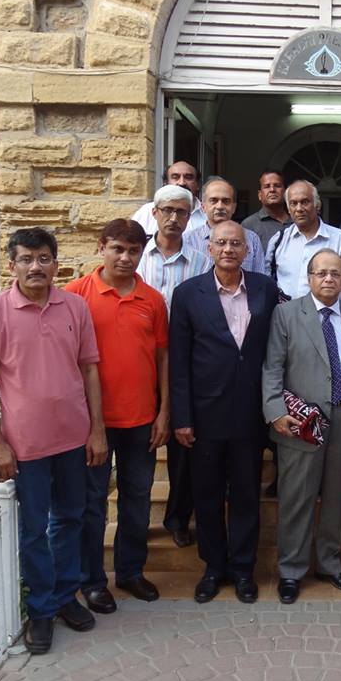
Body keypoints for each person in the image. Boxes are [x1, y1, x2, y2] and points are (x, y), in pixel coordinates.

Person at [0, 228, 107, 655]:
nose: (36, 267)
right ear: (12, 264)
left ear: (55, 263)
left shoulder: (75, 307)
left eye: (44, 258)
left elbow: (89, 370)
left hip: (73, 440)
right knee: (33, 531)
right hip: (25, 447)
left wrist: (96, 430)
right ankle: (42, 609)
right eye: (27, 258)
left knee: (70, 519)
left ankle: (66, 597)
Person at [170, 221, 278, 604]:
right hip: (204, 416)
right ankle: (214, 568)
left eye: (236, 243)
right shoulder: (187, 294)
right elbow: (178, 361)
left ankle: (244, 569)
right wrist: (181, 417)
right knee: (208, 495)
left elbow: (273, 351)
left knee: (248, 494)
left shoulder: (266, 289)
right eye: (221, 243)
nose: (229, 249)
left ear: (247, 250)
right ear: (209, 248)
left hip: (250, 414)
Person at [65, 219, 170, 612]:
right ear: (101, 247)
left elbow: (163, 357)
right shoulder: (76, 296)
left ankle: (130, 571)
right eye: (118, 249)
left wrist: (164, 412)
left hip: (141, 419)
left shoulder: (153, 300)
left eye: (133, 251)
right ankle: (91, 580)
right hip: (92, 422)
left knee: (137, 500)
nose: (125, 258)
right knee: (91, 502)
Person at [262, 249, 341, 603]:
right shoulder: (286, 313)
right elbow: (272, 366)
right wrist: (275, 411)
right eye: (321, 273)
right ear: (309, 278)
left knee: (336, 496)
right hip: (300, 421)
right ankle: (291, 570)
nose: (328, 279)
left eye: (336, 273)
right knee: (296, 498)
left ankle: (330, 563)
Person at [137, 184, 211, 549]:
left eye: (181, 212)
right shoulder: (136, 258)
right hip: (138, 364)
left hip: (184, 366)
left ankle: (179, 517)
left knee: (184, 448)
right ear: (154, 213)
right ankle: (135, 521)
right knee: (139, 446)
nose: (173, 218)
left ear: (190, 217)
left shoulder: (202, 261)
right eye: (166, 210)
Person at [265, 180, 341, 300]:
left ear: (317, 205)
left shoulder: (339, 238)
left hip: (325, 316)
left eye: (305, 202)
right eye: (293, 203)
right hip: (287, 316)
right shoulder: (278, 240)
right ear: (288, 208)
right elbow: (267, 281)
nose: (299, 209)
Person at [184, 176, 266, 275]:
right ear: (203, 207)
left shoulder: (252, 240)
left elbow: (259, 282)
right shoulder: (187, 240)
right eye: (213, 200)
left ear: (234, 207)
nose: (220, 206)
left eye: (226, 201)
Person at [132, 160, 207, 238]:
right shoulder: (147, 212)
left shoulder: (207, 215)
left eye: (188, 177)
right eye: (175, 177)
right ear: (165, 183)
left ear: (198, 184)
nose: (182, 182)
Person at [242, 169, 292, 250]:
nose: (272, 190)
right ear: (259, 195)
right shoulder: (249, 225)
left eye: (277, 185)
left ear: (285, 192)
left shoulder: (297, 221)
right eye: (267, 186)